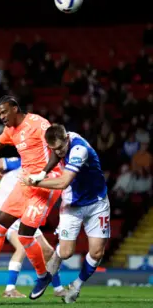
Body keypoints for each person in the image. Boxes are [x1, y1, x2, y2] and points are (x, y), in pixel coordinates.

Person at [0, 95, 63, 300]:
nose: (2, 116)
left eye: (4, 112)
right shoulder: (11, 130)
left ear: (15, 108)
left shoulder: (38, 123)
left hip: (46, 182)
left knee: (25, 235)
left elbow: (57, 150)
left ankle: (43, 276)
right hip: (25, 182)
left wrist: (43, 173)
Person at [20, 124, 110, 304]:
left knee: (97, 252)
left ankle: (76, 286)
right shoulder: (61, 142)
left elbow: (63, 182)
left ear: (67, 139)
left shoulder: (79, 149)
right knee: (67, 252)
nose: (59, 152)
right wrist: (43, 172)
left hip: (97, 202)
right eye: (54, 149)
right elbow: (56, 153)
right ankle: (45, 278)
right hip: (72, 204)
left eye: (61, 148)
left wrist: (36, 182)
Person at [0, 156, 65, 298]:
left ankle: (58, 289)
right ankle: (10, 289)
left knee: (48, 252)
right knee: (21, 247)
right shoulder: (20, 162)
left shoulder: (41, 168)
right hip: (9, 213)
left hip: (23, 212)